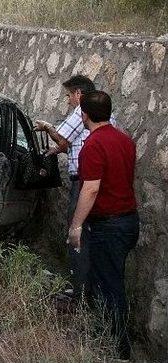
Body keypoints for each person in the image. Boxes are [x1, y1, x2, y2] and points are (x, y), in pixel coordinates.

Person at [67, 91, 138, 360]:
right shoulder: (125, 141)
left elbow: (91, 189)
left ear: (84, 114)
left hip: (109, 225)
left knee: (109, 286)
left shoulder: (93, 144)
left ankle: (118, 349)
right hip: (128, 221)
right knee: (107, 281)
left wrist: (76, 226)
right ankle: (104, 336)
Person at [34, 74, 114, 295]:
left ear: (79, 94)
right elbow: (73, 144)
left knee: (77, 234)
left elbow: (63, 139)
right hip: (101, 185)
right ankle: (87, 290)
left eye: (69, 95)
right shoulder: (107, 116)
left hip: (84, 182)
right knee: (91, 239)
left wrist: (48, 128)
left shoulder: (83, 112)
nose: (68, 100)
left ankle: (79, 291)